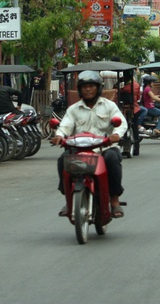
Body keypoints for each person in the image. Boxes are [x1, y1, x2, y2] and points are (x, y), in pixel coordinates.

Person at [52, 71, 127, 218]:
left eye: (91, 86)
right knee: (63, 160)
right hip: (78, 150)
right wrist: (59, 136)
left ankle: (114, 200)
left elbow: (121, 123)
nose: (88, 89)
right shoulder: (73, 109)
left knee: (112, 159)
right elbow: (65, 126)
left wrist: (116, 135)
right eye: (84, 86)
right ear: (80, 89)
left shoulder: (109, 106)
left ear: (98, 88)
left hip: (104, 148)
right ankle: (68, 198)